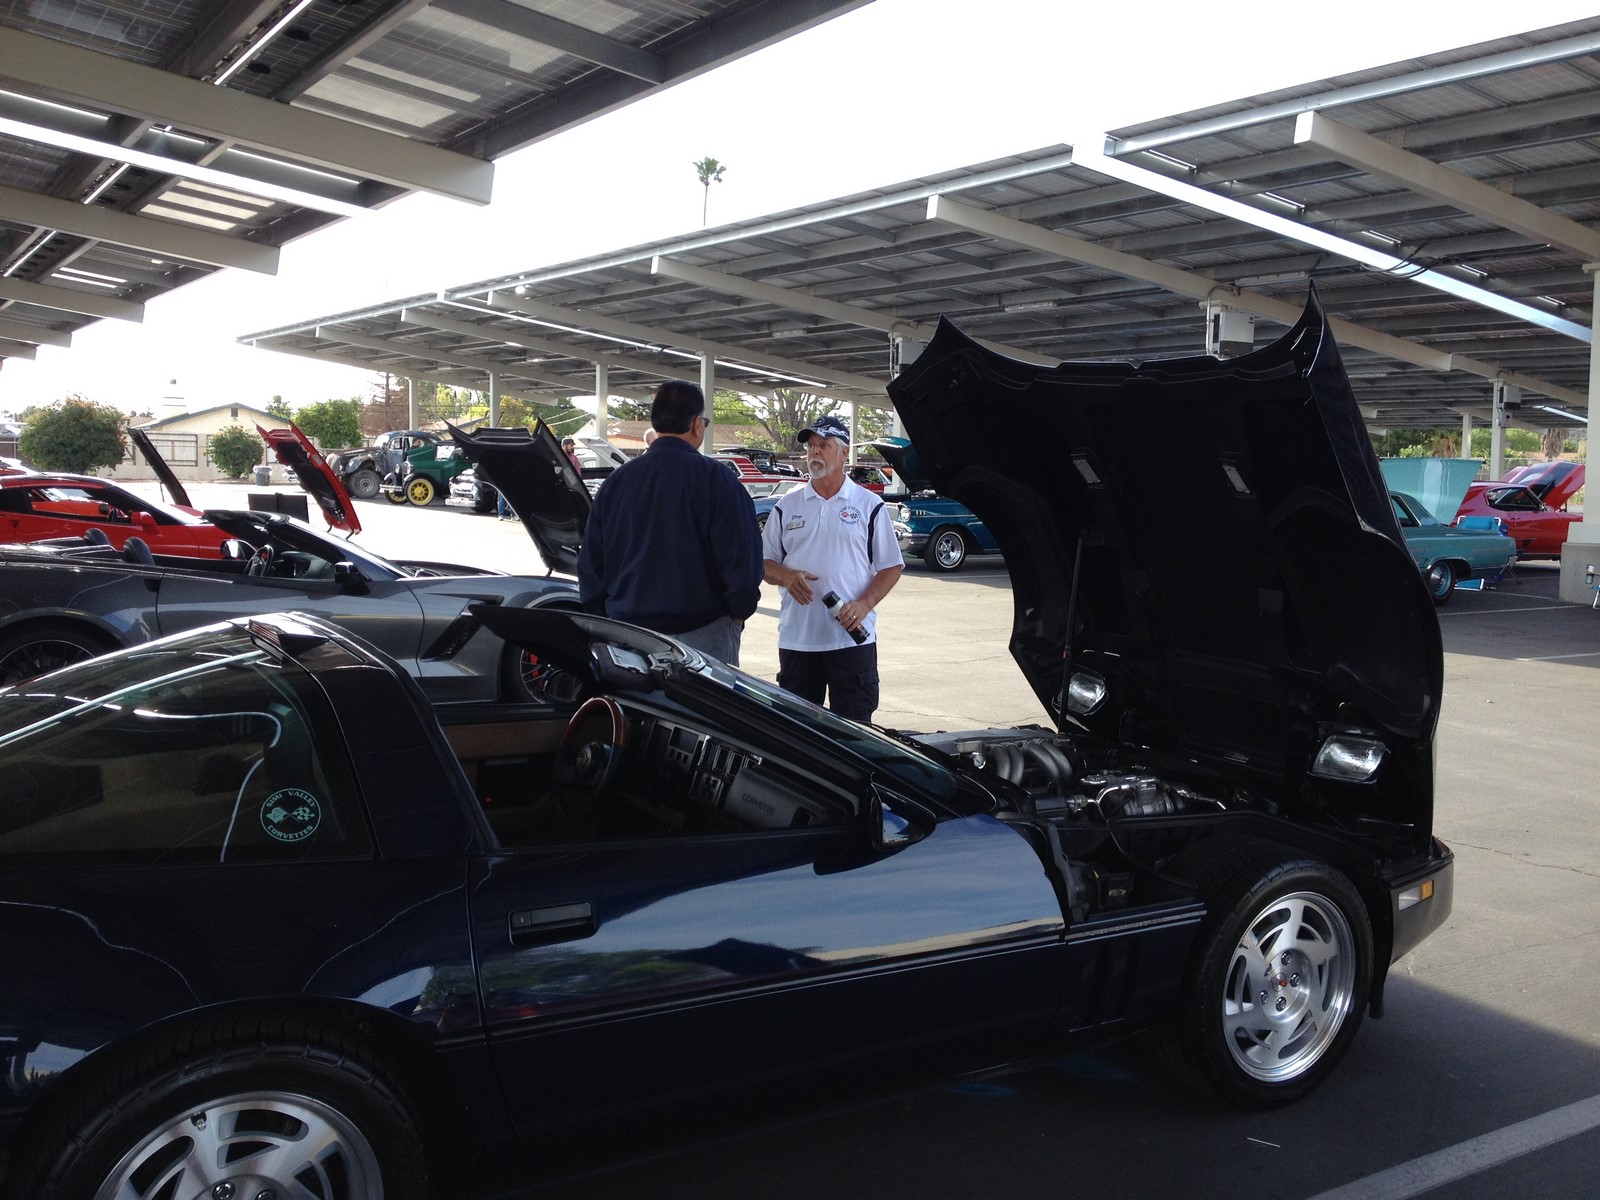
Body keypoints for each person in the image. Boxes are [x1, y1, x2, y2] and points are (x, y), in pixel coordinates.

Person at [577, 381, 763, 664]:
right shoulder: (717, 480)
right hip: (703, 635)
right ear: (696, 425)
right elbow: (742, 561)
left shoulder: (617, 482)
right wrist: (739, 610)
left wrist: (604, 618)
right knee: (703, 696)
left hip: (627, 633)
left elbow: (591, 563)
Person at [762, 414, 902, 723]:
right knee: (797, 734)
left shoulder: (869, 505)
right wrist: (786, 576)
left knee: (855, 732)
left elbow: (891, 566)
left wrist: (864, 604)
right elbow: (763, 562)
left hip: (850, 641)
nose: (814, 452)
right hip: (798, 640)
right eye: (811, 446)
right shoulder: (787, 505)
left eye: (824, 445)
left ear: (843, 453)